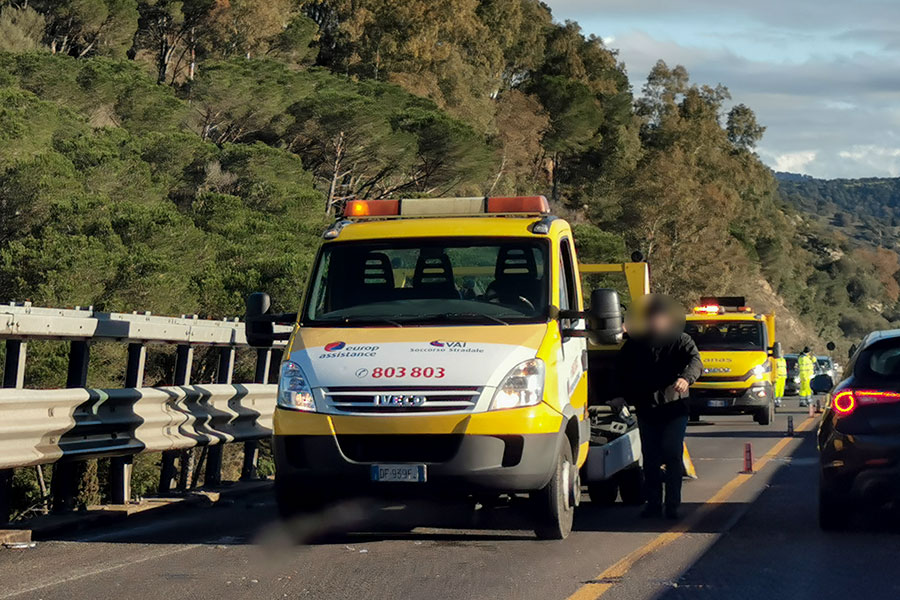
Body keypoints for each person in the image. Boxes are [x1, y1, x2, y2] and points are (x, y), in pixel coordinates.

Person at [614, 295, 703, 520]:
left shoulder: (682, 340)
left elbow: (696, 362)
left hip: (675, 408)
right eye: (652, 318)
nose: (656, 322)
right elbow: (620, 371)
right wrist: (617, 395)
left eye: (660, 318)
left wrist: (686, 378)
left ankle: (672, 505)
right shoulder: (635, 342)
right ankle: (653, 504)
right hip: (646, 409)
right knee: (650, 459)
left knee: (672, 452)